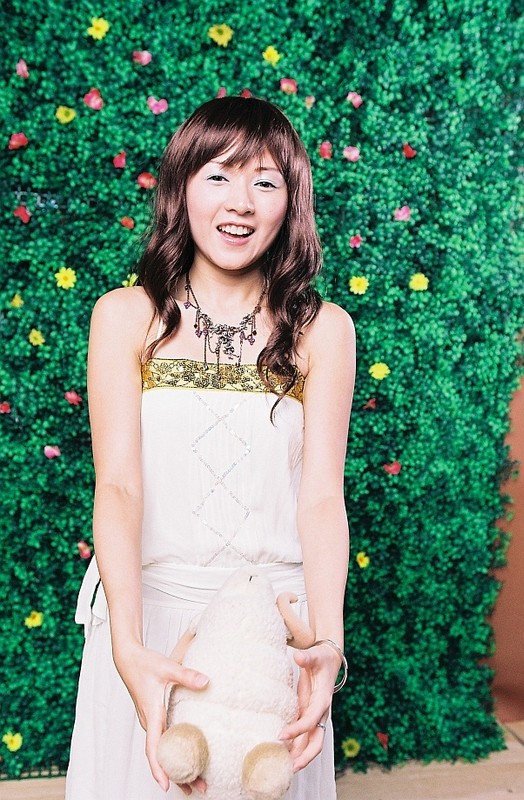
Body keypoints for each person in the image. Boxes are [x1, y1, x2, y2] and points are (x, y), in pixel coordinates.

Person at [65, 95, 355, 800]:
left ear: (291, 202)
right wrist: (127, 645)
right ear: (182, 186)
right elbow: (118, 487)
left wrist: (327, 646)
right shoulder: (124, 316)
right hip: (149, 619)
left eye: (265, 181)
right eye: (218, 175)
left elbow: (322, 498)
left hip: (271, 636)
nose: (240, 202)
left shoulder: (325, 331)